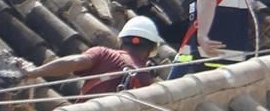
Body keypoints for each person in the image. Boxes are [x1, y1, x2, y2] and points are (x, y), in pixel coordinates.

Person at [19, 16, 164, 98]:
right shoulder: (148, 82)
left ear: (121, 42)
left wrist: (34, 72)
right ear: (152, 49)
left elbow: (75, 61)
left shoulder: (104, 53)